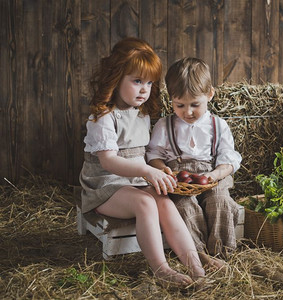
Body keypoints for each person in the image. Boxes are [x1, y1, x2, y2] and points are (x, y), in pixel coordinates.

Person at [79, 37, 205, 288]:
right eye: (137, 81)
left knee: (165, 203)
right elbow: (110, 162)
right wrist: (146, 170)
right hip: (104, 188)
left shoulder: (143, 114)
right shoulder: (103, 118)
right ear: (116, 78)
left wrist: (158, 169)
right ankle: (161, 269)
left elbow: (142, 155)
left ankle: (197, 265)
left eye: (149, 82)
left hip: (134, 182)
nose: (144, 89)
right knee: (146, 204)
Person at [146, 57, 242, 268]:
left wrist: (214, 175)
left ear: (210, 94)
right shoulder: (165, 125)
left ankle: (222, 253)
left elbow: (229, 159)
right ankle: (198, 254)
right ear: (171, 99)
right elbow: (153, 155)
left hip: (211, 177)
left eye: (195, 105)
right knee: (184, 208)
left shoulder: (218, 125)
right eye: (179, 105)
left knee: (221, 203)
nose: (187, 112)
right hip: (180, 182)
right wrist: (163, 169)